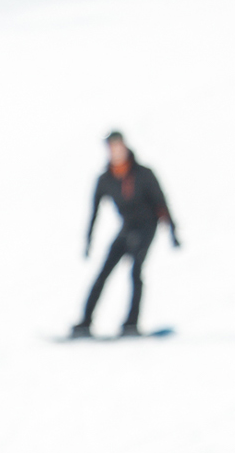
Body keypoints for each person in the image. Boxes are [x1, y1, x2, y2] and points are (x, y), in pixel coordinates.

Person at [73, 130, 180, 338]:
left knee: (135, 271)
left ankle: (131, 323)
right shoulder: (106, 178)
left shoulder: (143, 173)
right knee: (104, 272)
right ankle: (85, 322)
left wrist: (172, 231)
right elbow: (94, 211)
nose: (116, 151)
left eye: (118, 146)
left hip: (148, 225)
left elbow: (161, 202)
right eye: (111, 147)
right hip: (127, 227)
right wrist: (88, 241)